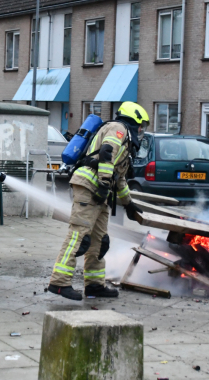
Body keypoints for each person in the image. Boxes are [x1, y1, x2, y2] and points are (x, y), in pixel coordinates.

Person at [47, 102, 149, 301]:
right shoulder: (118, 129)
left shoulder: (126, 141)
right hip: (88, 187)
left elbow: (119, 177)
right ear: (133, 120)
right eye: (141, 125)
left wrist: (127, 203)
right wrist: (103, 184)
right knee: (78, 236)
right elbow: (106, 153)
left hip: (100, 192)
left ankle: (94, 285)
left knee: (99, 241)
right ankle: (59, 282)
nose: (141, 130)